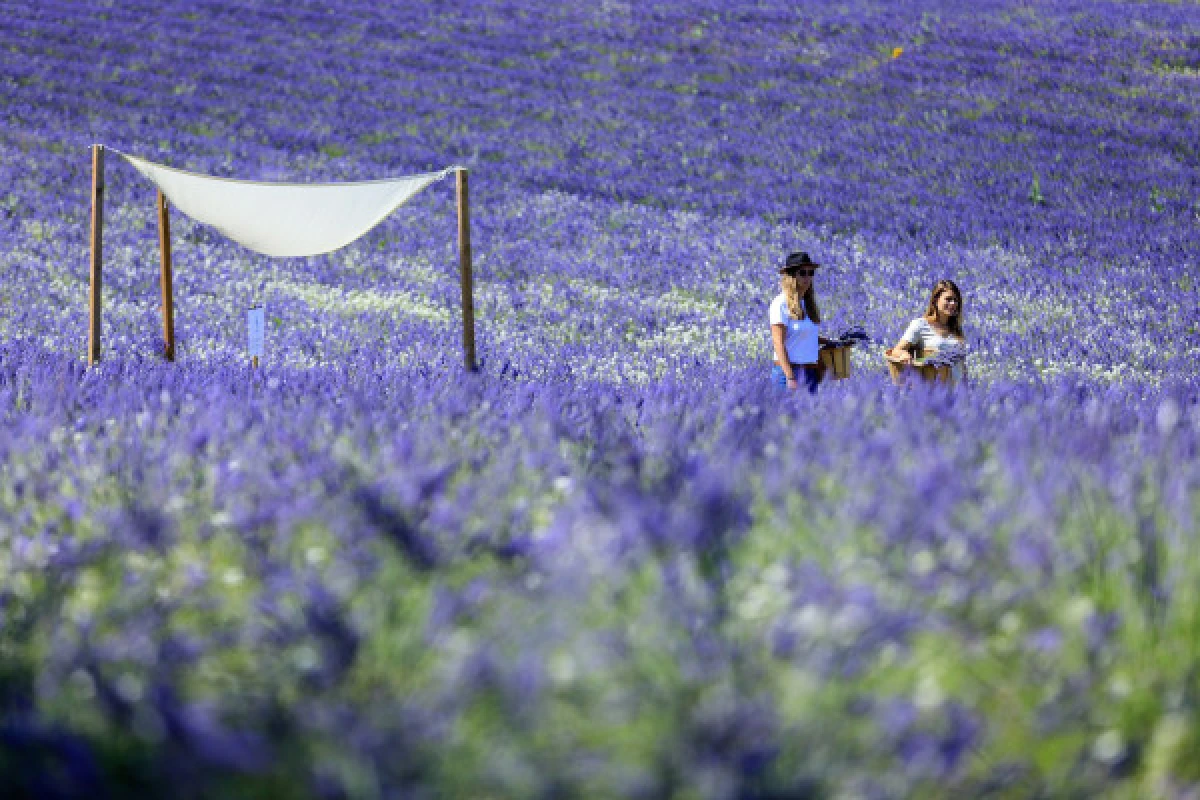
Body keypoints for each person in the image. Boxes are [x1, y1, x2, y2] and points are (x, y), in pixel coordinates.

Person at [889, 279, 969, 383]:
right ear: (936, 300)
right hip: (933, 390)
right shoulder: (920, 324)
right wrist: (904, 355)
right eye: (948, 299)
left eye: (956, 300)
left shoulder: (956, 329)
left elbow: (962, 365)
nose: (953, 303)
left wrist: (966, 390)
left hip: (956, 392)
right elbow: (896, 350)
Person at [770, 251, 827, 393]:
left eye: (811, 273)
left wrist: (828, 342)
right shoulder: (780, 303)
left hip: (810, 373)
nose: (807, 277)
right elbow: (778, 343)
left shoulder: (807, 305)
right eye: (802, 273)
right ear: (791, 276)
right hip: (788, 373)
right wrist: (790, 377)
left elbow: (802, 335)